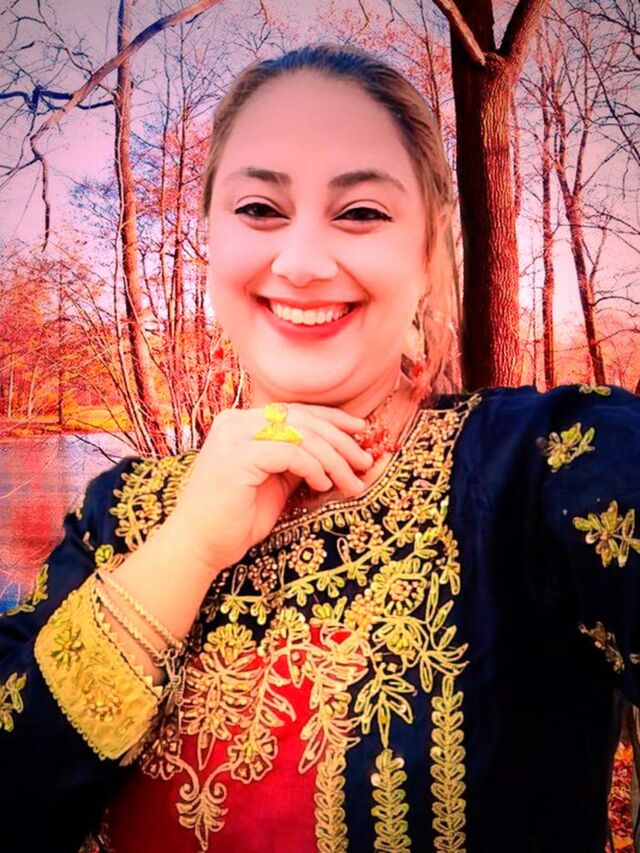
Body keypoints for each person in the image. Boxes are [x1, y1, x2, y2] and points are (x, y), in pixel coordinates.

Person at [0, 41, 639, 853]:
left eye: (361, 212)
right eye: (259, 208)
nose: (300, 263)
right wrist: (186, 547)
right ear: (210, 241)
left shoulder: (549, 469)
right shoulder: (118, 514)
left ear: (429, 253)